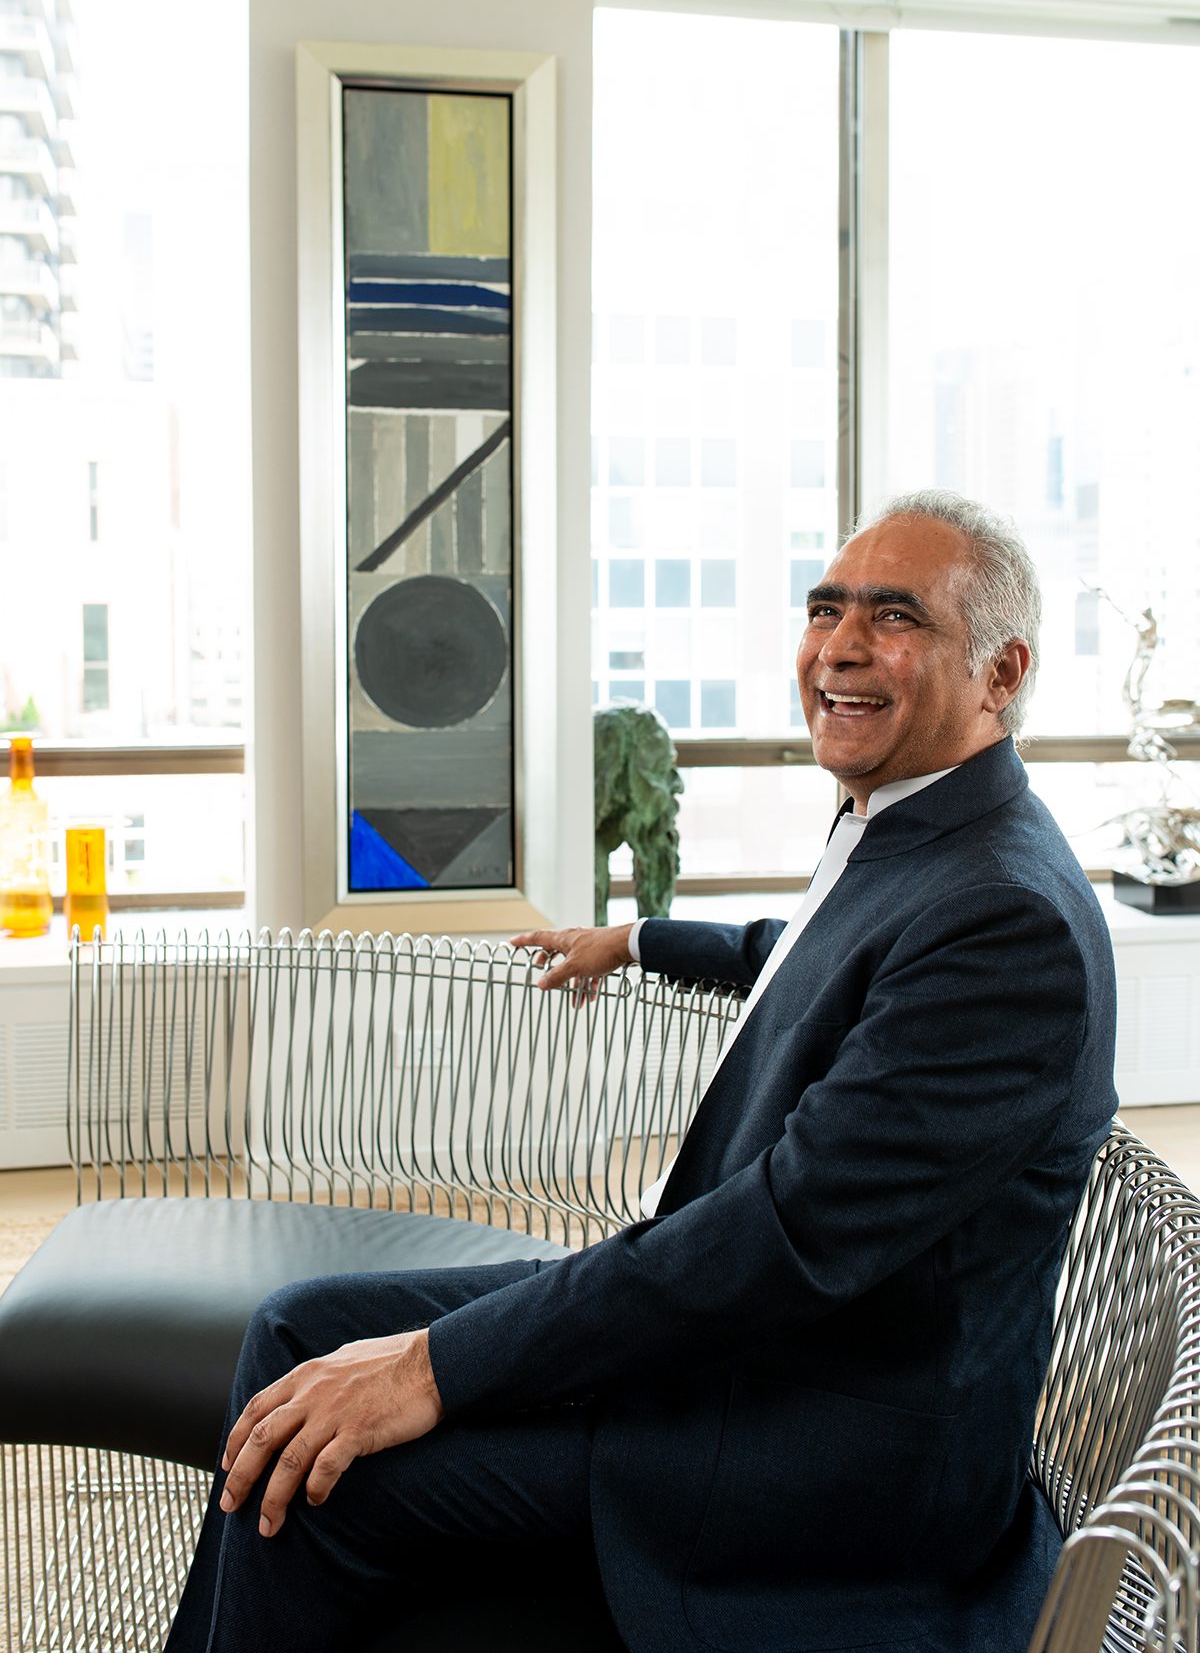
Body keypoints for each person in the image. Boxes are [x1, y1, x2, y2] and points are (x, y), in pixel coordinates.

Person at [165, 489, 1117, 1653]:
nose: (842, 646)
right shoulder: (920, 830)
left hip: (811, 1444)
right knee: (297, 1333)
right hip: (753, 1358)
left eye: (896, 616)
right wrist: (643, 937)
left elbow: (779, 1238)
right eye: (827, 609)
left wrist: (435, 1371)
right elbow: (814, 960)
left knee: (321, 1486)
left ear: (1000, 673)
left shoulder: (1006, 921)